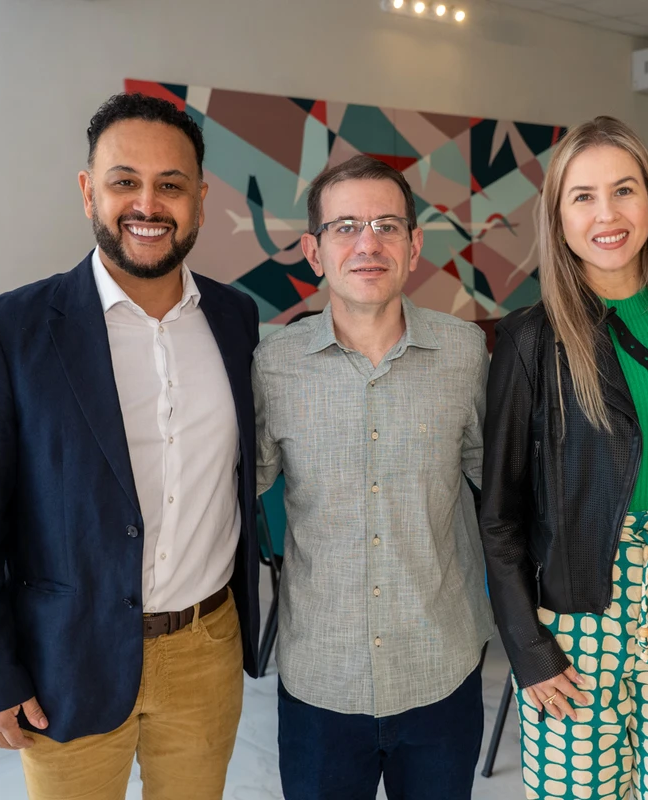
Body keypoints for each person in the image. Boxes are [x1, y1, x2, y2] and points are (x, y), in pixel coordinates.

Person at [0, 92, 260, 800]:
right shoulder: (5, 332)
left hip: (206, 649)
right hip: (66, 658)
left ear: (201, 200)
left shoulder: (237, 320)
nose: (148, 203)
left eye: (171, 185)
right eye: (124, 181)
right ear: (88, 193)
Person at [480, 116, 648, 800]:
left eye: (623, 190)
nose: (607, 214)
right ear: (558, 216)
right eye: (583, 196)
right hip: (577, 615)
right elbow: (498, 516)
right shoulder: (531, 339)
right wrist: (527, 650)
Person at [252, 154, 492, 800]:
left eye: (387, 226)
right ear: (314, 249)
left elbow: (504, 495)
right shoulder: (272, 365)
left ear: (414, 246)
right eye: (346, 226)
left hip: (440, 669)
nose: (368, 244)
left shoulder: (465, 353)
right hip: (321, 681)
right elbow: (227, 494)